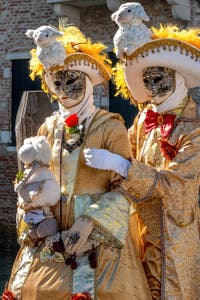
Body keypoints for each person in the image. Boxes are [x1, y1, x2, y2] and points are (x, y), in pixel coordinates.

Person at [3, 25, 152, 300]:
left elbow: (126, 187)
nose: (65, 90)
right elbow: (36, 175)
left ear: (88, 81)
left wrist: (89, 222)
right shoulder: (47, 128)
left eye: (73, 81)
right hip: (53, 227)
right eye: (58, 82)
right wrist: (33, 210)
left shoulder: (111, 127)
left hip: (98, 234)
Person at [84, 24, 200, 299]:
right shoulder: (142, 120)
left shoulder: (195, 128)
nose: (152, 87)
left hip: (176, 236)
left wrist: (121, 166)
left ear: (180, 77)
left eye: (160, 78)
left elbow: (176, 185)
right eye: (147, 81)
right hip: (137, 233)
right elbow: (125, 157)